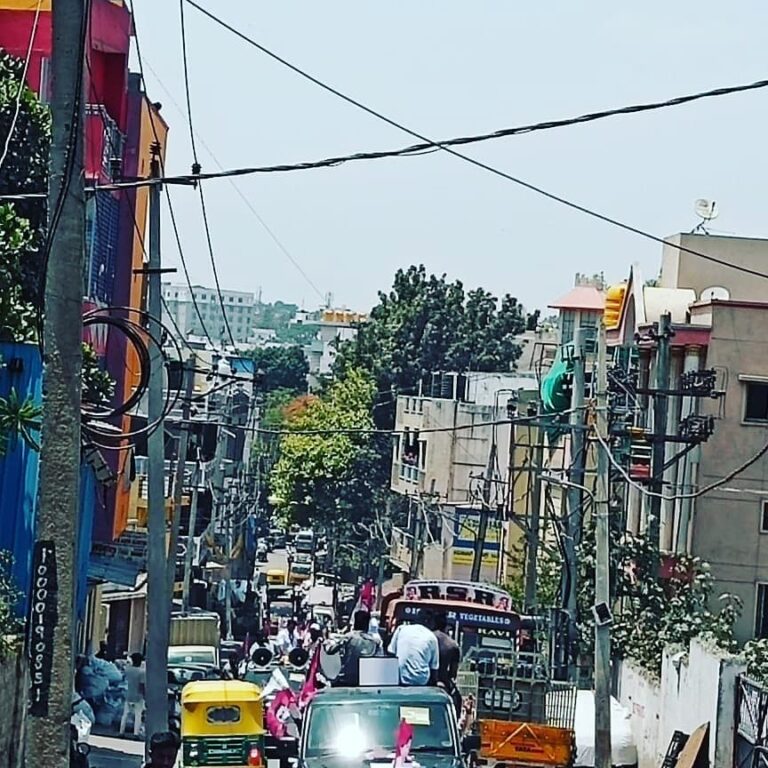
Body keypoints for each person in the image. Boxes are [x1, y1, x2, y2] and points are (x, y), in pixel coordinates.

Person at [326, 610, 380, 686]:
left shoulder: (349, 637)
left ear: (355, 622)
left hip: (346, 678)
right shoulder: (375, 642)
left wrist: (326, 644)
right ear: (367, 624)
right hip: (366, 680)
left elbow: (330, 650)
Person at [387, 609, 439, 686]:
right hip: (421, 681)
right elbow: (434, 668)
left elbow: (390, 653)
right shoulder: (431, 637)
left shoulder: (401, 629)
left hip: (399, 677)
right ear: (428, 621)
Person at [433, 612, 462, 713]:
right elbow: (453, 673)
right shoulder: (452, 645)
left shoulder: (426, 637)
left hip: (424, 680)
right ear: (446, 626)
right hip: (443, 681)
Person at [120, 653, 146, 737]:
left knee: (125, 714)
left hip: (128, 694)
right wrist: (144, 695)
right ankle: (136, 734)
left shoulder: (128, 670)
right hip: (138, 696)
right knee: (138, 715)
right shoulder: (142, 672)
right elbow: (142, 685)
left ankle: (121, 732)